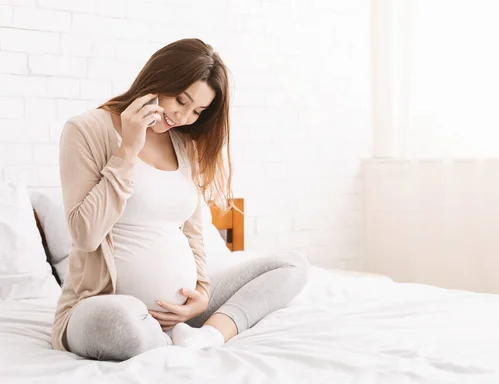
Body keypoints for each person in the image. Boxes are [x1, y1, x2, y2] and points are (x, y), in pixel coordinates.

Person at [50, 38, 308, 361]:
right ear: (158, 78)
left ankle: (209, 335)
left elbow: (193, 233)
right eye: (180, 100)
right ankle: (161, 341)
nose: (183, 116)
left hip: (184, 316)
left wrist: (201, 291)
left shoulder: (184, 144)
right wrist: (127, 150)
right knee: (123, 322)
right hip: (103, 306)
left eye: (196, 111)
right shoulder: (86, 130)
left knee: (292, 265)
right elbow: (85, 234)